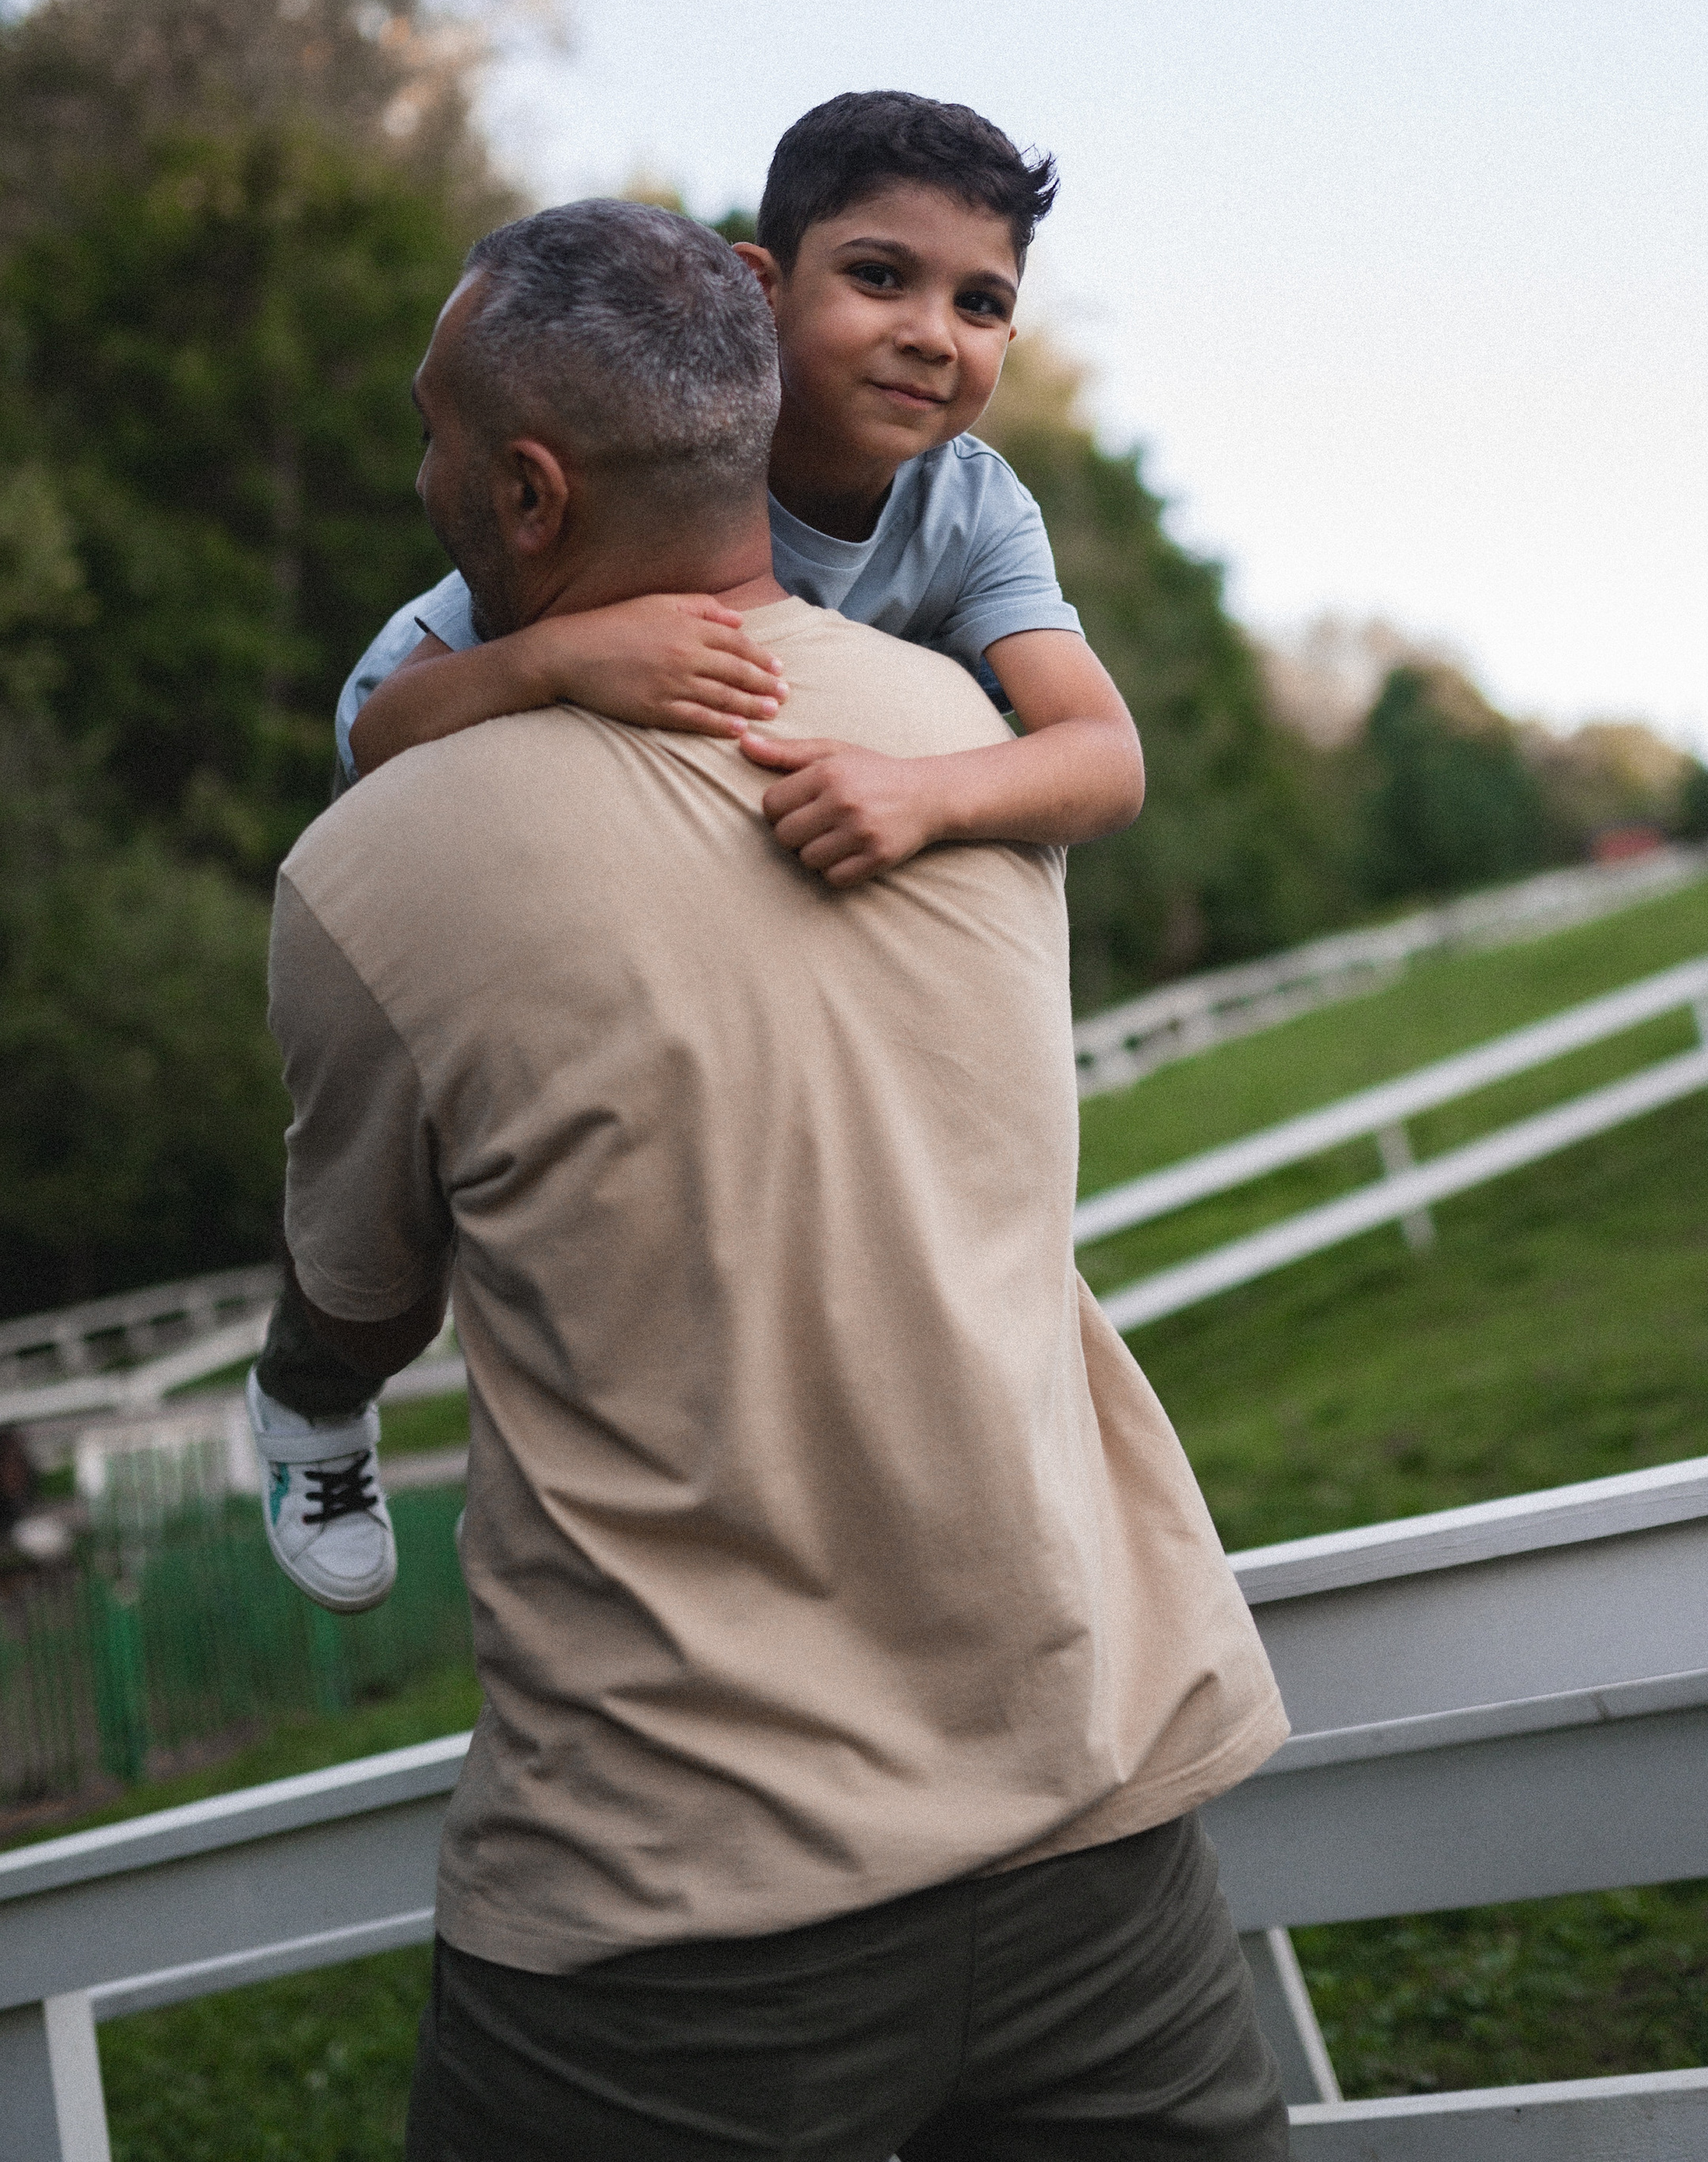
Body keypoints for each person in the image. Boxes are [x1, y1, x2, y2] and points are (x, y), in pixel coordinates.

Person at [266, 202, 1292, 2159]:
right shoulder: (961, 735)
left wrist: (308, 1363)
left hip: (675, 1919)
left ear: (527, 488)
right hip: (1090, 1816)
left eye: (429, 438)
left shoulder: (372, 867)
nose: (418, 477)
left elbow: (361, 1285)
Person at [247, 92, 1145, 1608]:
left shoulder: (973, 501)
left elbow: (1102, 753)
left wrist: (928, 791)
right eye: (881, 277)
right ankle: (310, 1399)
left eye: (982, 302)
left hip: (768, 863)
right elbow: (377, 743)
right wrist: (559, 658)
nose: (935, 332)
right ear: (758, 287)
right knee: (402, 1189)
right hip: (527, 795)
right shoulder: (663, 451)